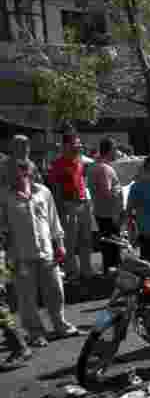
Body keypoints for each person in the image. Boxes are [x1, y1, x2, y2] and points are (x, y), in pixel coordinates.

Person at [1, 158, 81, 347]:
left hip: (46, 252)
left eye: (13, 172)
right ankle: (35, 333)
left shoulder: (43, 192)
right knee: (27, 298)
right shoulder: (4, 196)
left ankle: (61, 326)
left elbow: (52, 220)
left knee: (56, 292)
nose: (8, 176)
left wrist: (60, 244)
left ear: (25, 173)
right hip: (21, 255)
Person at [47, 132, 94, 282]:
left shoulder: (80, 161)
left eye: (79, 143)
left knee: (86, 240)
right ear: (66, 145)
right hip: (69, 205)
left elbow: (82, 182)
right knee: (70, 243)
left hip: (83, 204)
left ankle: (87, 271)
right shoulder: (57, 164)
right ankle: (72, 273)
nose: (79, 146)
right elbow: (55, 188)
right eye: (76, 143)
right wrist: (61, 209)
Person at [89, 137, 123, 274]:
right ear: (110, 150)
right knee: (112, 250)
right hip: (109, 215)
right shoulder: (104, 168)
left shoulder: (96, 166)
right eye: (115, 149)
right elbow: (106, 193)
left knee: (109, 249)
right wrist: (118, 194)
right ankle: (111, 278)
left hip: (103, 213)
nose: (117, 152)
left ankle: (109, 275)